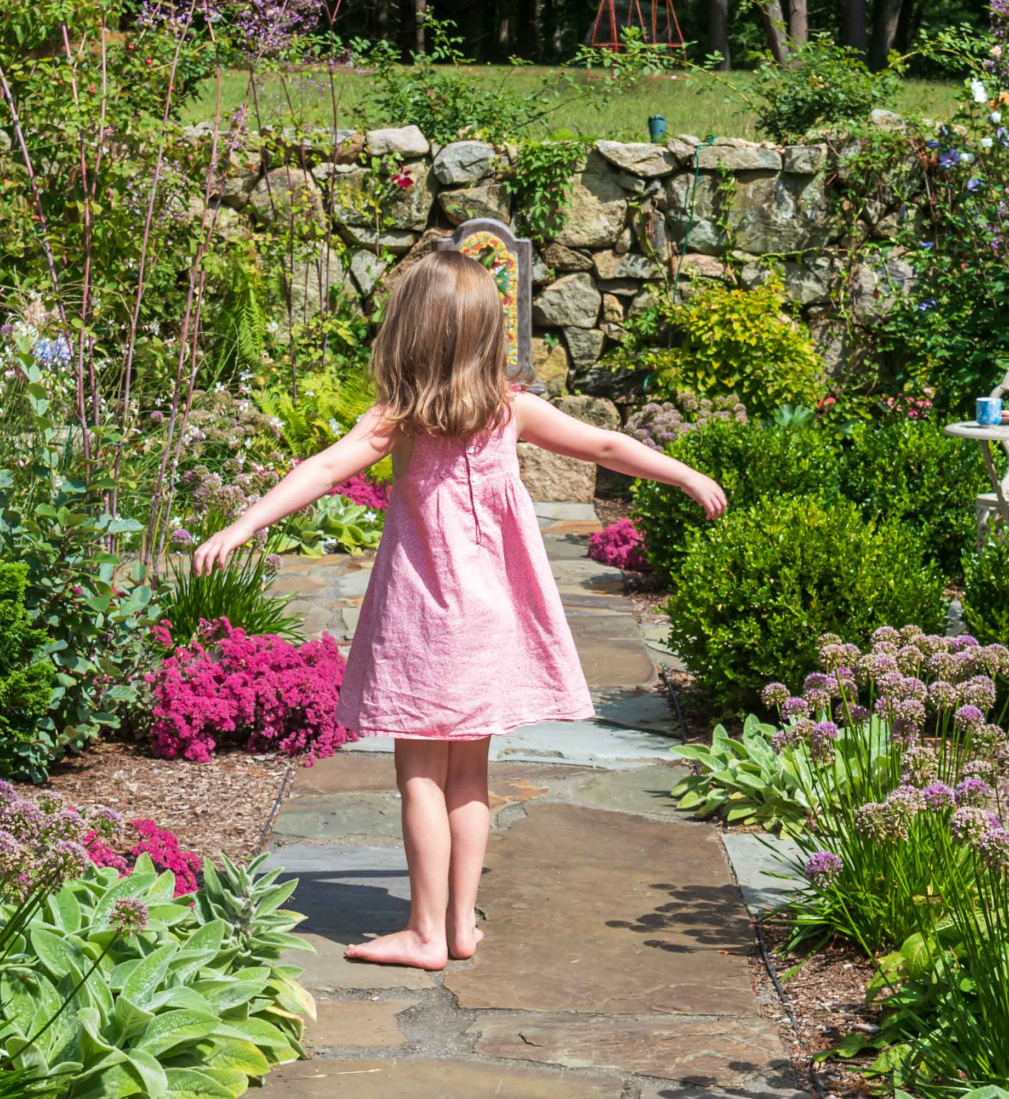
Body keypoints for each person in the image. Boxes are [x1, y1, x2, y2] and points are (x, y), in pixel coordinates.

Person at [192, 249, 726, 970]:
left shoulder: (399, 419)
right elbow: (604, 443)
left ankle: (423, 933)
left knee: (419, 772)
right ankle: (460, 925)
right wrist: (683, 471)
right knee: (471, 776)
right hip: (490, 621)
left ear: (408, 334)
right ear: (486, 337)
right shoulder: (512, 413)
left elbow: (321, 468)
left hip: (423, 621)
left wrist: (243, 523)